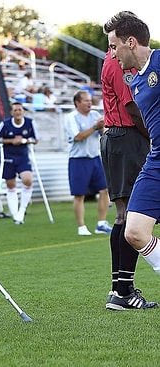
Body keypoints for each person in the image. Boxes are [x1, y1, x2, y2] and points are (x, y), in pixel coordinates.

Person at [104, 11, 160, 298]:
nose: (111, 54)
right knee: (134, 230)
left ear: (131, 42)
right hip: (156, 161)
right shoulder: (135, 81)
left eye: (114, 47)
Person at [64, 90, 112, 236]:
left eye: (90, 100)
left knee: (104, 190)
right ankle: (81, 226)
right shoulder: (71, 117)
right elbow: (77, 137)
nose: (89, 103)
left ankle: (101, 223)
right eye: (85, 100)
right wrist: (95, 127)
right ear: (77, 103)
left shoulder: (95, 116)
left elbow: (103, 133)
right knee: (79, 195)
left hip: (94, 158)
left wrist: (103, 127)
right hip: (78, 159)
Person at [0, 102, 38, 224]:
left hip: (22, 156)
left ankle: (22, 210)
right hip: (8, 157)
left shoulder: (29, 123)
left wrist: (24, 140)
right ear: (12, 112)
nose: (18, 112)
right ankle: (15, 214)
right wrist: (11, 141)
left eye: (20, 110)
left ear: (23, 111)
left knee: (28, 180)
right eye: (15, 110)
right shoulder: (5, 124)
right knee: (11, 184)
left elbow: (35, 139)